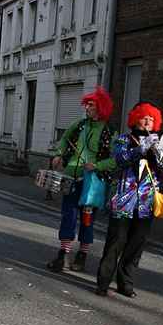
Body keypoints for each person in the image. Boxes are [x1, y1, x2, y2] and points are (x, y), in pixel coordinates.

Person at [96, 102, 163, 298]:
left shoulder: (157, 144)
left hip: (146, 203)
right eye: (144, 117)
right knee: (115, 243)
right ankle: (103, 283)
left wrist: (160, 155)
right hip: (124, 200)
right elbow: (119, 160)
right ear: (135, 119)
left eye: (152, 119)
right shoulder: (123, 139)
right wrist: (139, 150)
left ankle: (125, 284)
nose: (148, 121)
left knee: (136, 246)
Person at [47, 87, 116, 273]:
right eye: (87, 105)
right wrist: (59, 154)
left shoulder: (109, 131)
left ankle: (82, 255)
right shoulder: (79, 125)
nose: (87, 108)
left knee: (87, 220)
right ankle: (63, 254)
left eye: (91, 105)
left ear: (101, 108)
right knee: (68, 216)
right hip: (72, 177)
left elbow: (115, 159)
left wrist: (97, 166)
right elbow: (64, 140)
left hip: (93, 182)